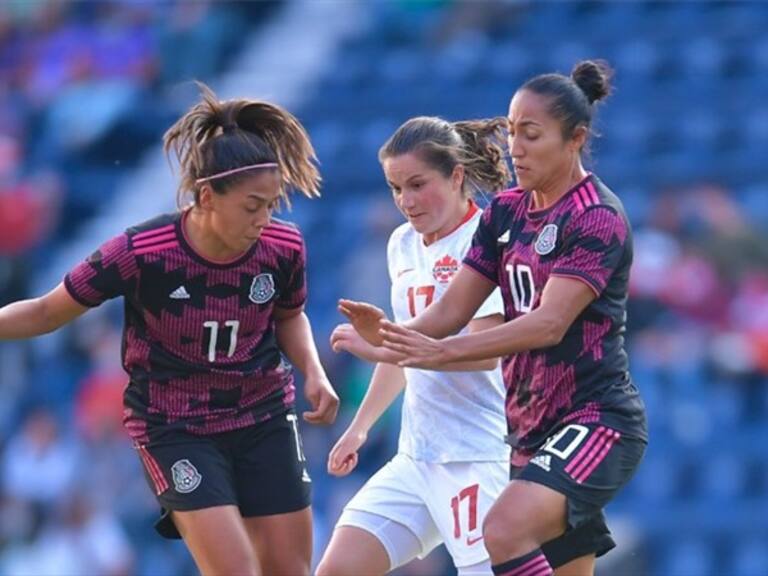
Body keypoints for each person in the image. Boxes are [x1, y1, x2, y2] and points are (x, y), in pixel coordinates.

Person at [0, 83, 339, 576]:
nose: (265, 219)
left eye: (272, 204)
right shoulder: (142, 252)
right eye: (252, 206)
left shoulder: (283, 247)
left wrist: (313, 371)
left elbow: (288, 314)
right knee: (237, 570)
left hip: (264, 415)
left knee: (289, 570)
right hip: (176, 427)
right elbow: (47, 312)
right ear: (207, 195)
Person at [339, 60, 648, 576]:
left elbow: (549, 324)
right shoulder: (506, 211)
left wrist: (438, 353)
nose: (515, 147)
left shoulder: (595, 215)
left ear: (575, 139)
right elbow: (449, 311)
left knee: (502, 529)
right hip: (528, 428)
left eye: (531, 134)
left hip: (595, 418)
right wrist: (389, 341)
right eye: (510, 132)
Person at [316, 115, 511, 576]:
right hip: (416, 457)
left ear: (456, 176)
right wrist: (360, 426)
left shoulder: (485, 242)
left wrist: (384, 345)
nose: (406, 201)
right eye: (395, 188)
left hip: (475, 456)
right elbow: (409, 344)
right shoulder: (402, 244)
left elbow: (488, 353)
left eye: (418, 185)